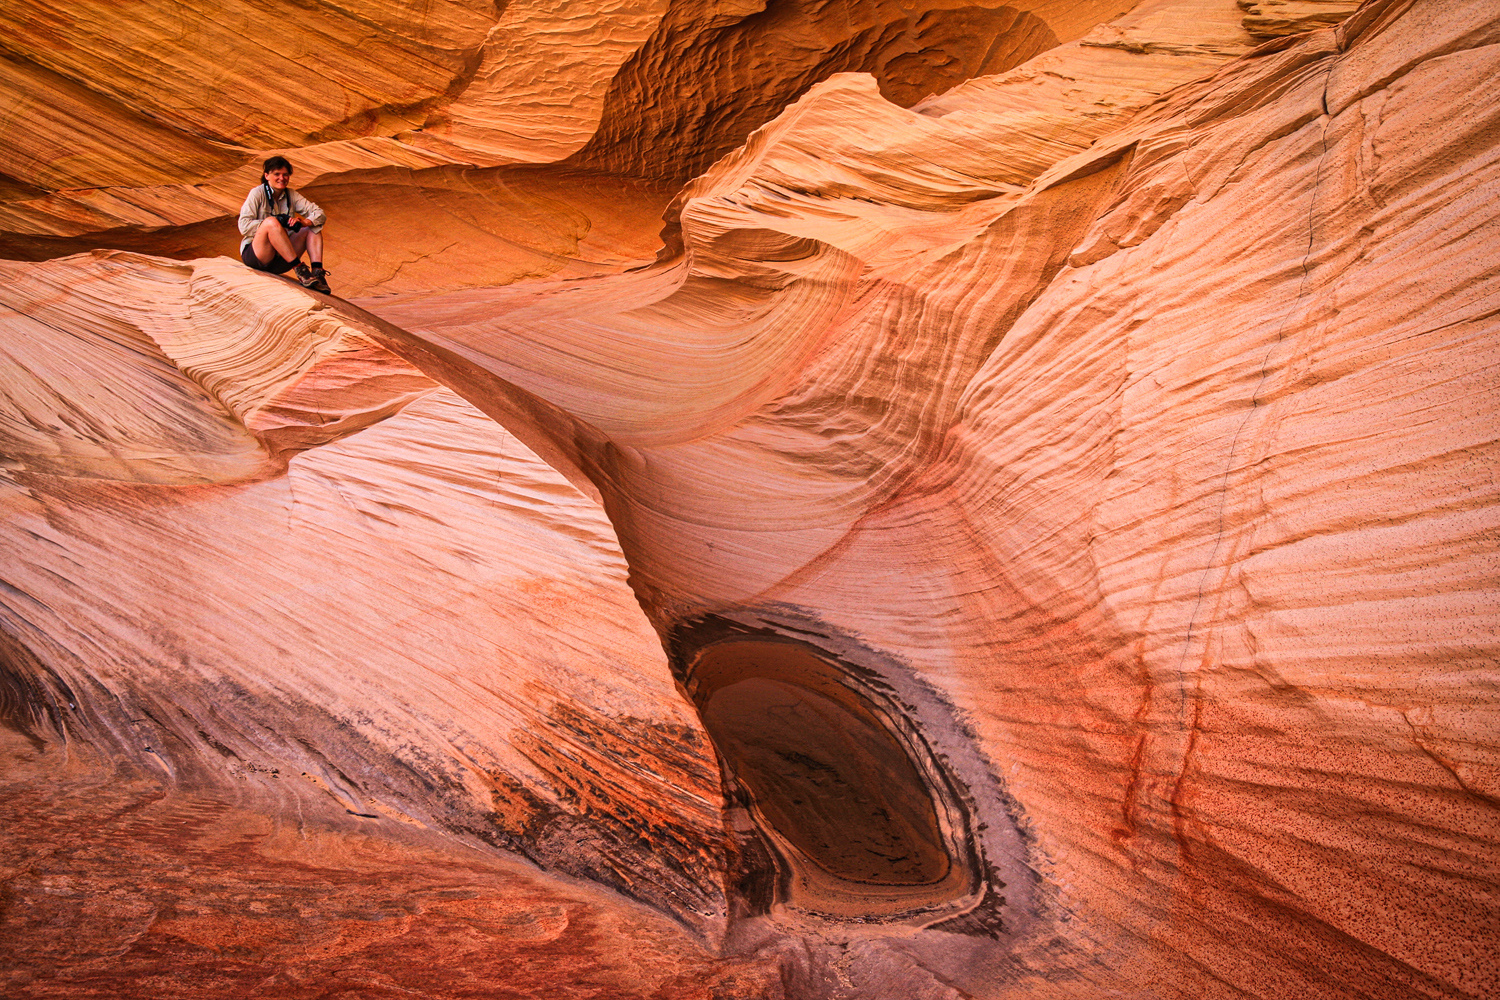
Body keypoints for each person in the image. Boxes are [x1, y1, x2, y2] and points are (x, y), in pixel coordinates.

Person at [238, 156, 331, 294]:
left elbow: (319, 213)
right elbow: (243, 226)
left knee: (313, 226)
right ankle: (300, 270)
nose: (282, 178)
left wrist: (304, 221)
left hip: (281, 258)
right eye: (277, 174)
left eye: (285, 174)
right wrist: (277, 223)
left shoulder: (291, 195)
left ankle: (317, 273)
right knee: (271, 222)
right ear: (267, 176)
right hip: (258, 255)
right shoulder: (257, 193)